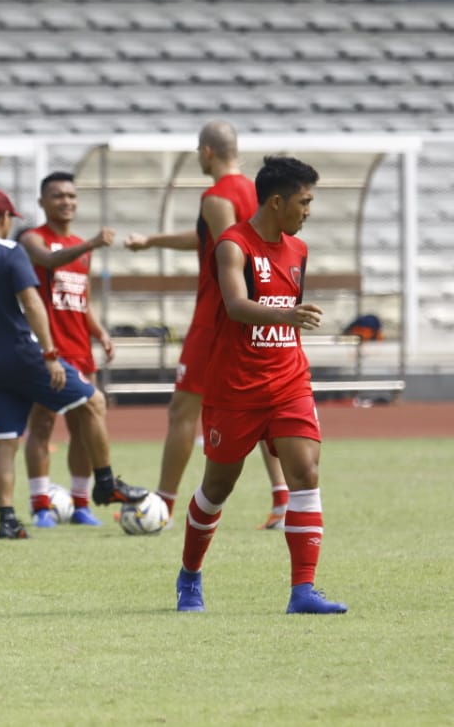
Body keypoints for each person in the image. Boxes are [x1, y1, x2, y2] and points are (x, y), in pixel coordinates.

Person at [175, 156, 347, 615]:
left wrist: (288, 321)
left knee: (306, 474)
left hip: (289, 380)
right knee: (217, 488)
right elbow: (235, 305)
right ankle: (189, 577)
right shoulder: (232, 245)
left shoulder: (298, 250)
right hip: (235, 388)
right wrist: (287, 315)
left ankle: (303, 591)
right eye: (304, 201)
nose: (308, 210)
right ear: (277, 201)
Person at [125, 121, 290, 530]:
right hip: (255, 315)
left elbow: (228, 251)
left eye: (199, 152)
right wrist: (152, 241)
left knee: (182, 409)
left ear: (207, 152)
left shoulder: (216, 196)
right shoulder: (254, 192)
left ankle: (161, 507)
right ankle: (283, 498)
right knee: (261, 406)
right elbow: (212, 239)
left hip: (216, 318)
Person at [0, 189, 146, 541]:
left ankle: (7, 519)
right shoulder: (13, 250)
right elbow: (32, 304)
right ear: (5, 220)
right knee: (93, 402)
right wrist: (50, 354)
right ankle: (106, 484)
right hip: (24, 355)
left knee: (5, 443)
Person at [18, 172, 118, 528]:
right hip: (49, 351)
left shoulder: (79, 246)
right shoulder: (33, 240)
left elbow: (82, 300)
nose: (67, 202)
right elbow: (48, 262)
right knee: (42, 424)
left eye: (72, 196)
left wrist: (100, 332)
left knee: (84, 426)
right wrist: (91, 243)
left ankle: (80, 503)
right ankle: (40, 504)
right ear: (43, 202)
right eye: (58, 196)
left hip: (79, 350)